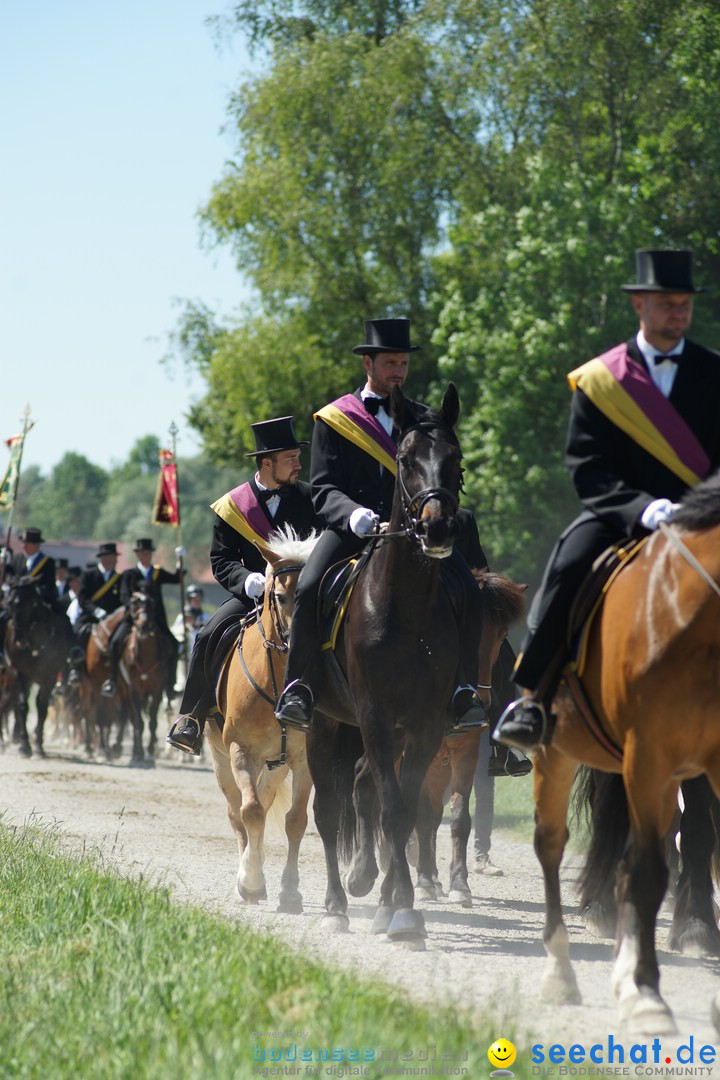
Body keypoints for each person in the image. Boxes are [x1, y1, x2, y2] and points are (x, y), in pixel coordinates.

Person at [495, 248, 720, 751]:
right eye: (666, 304)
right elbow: (587, 467)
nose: (677, 314)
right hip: (623, 517)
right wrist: (644, 507)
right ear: (639, 305)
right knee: (567, 563)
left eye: (684, 305)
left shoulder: (714, 372)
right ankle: (533, 698)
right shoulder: (601, 380)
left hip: (704, 518)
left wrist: (701, 507)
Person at [274, 317, 486, 732]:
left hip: (415, 532)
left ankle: (464, 689)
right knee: (312, 586)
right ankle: (299, 686)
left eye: (404, 365)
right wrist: (351, 513)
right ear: (367, 364)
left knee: (471, 590)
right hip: (352, 529)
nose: (399, 373)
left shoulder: (427, 419)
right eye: (390, 363)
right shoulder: (334, 419)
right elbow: (323, 488)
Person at [167, 415, 319, 755]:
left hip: (301, 595)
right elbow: (221, 561)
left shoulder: (311, 498)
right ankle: (190, 717)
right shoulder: (232, 506)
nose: (299, 464)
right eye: (290, 459)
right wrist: (247, 580)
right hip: (251, 597)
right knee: (208, 634)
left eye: (298, 457)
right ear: (268, 463)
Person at [100, 539, 181, 698]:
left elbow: (177, 579)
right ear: (137, 555)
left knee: (174, 644)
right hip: (133, 620)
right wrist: (134, 605)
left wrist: (180, 562)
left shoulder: (157, 572)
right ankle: (112, 680)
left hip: (156, 620)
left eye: (148, 553)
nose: (145, 556)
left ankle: (171, 684)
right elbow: (123, 597)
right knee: (115, 642)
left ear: (151, 555)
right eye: (142, 553)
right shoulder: (129, 574)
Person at [67, 542, 123, 685]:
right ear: (103, 558)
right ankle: (76, 670)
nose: (115, 561)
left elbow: (121, 600)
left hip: (112, 619)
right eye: (112, 557)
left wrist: (114, 615)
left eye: (115, 557)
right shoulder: (89, 575)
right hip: (91, 617)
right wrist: (96, 611)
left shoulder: (119, 578)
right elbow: (82, 598)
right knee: (78, 634)